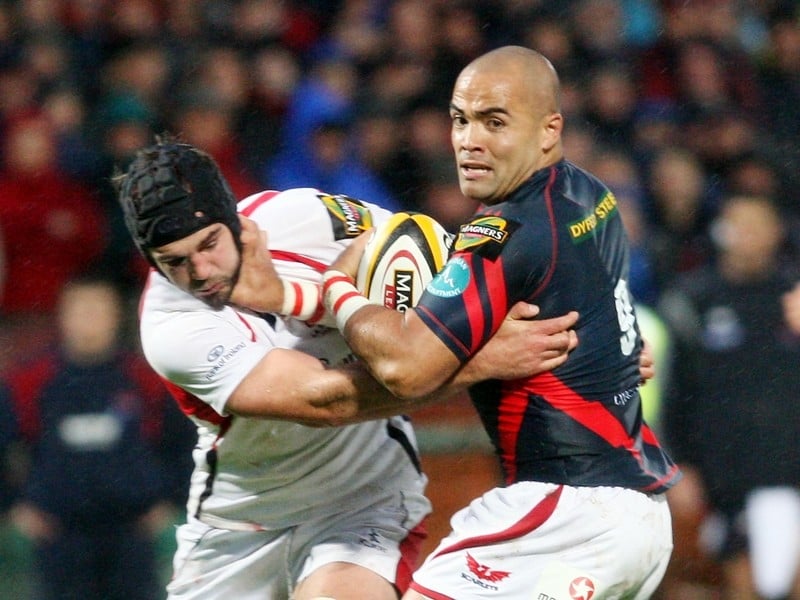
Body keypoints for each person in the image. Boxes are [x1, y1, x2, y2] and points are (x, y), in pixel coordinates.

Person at [114, 135, 583, 600]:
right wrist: (479, 361)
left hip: (362, 504)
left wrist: (591, 342)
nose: (199, 272)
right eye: (173, 262)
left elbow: (436, 258)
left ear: (232, 218)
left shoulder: (304, 217)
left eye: (209, 244)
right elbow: (325, 399)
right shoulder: (169, 325)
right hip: (238, 527)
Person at [314, 46, 680, 599]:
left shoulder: (504, 235)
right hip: (638, 515)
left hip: (565, 512)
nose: (469, 140)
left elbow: (404, 368)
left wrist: (337, 290)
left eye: (494, 122)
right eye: (460, 120)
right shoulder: (592, 195)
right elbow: (616, 332)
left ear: (549, 130)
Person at [0, 272, 195, 600]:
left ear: (116, 316)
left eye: (98, 310)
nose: (89, 320)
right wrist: (13, 506)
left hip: (133, 535)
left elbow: (186, 444)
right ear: (62, 315)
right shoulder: (29, 382)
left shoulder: (146, 380)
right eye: (81, 309)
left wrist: (171, 501)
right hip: (57, 538)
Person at [658, 193, 800, 600]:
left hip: (791, 462)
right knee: (742, 581)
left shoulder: (793, 295)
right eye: (739, 226)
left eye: (758, 226)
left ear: (776, 233)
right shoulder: (692, 299)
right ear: (721, 233)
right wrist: (679, 462)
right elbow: (677, 390)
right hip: (726, 471)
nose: (748, 236)